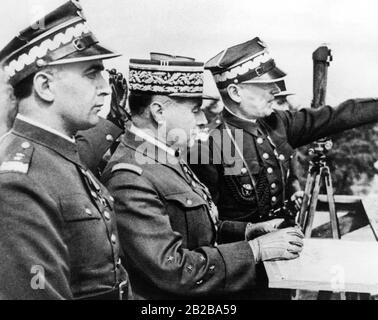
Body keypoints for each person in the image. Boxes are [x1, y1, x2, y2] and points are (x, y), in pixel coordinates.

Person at [101, 53, 304, 300]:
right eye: (195, 110)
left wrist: (247, 231)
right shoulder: (130, 176)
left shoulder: (164, 158)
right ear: (158, 112)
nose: (203, 119)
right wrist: (254, 250)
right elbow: (173, 270)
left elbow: (195, 229)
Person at [0, 0, 130, 300]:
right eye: (91, 73)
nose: (105, 87)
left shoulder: (59, 155)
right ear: (45, 86)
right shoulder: (19, 182)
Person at [189, 37, 378, 227]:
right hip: (244, 251)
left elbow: (335, 117)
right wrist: (253, 234)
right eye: (265, 85)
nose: (276, 89)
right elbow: (207, 227)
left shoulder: (278, 122)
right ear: (235, 92)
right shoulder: (207, 146)